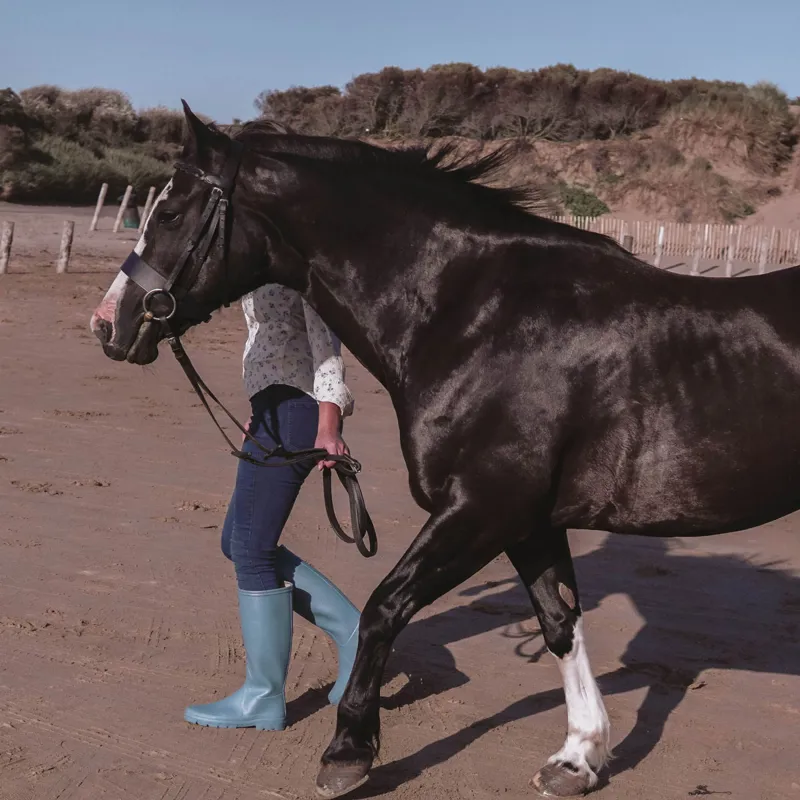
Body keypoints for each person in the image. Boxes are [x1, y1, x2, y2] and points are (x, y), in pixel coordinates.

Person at [184, 284, 361, 731]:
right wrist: (258, 408)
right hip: (272, 408)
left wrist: (328, 424)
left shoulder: (293, 261)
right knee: (238, 542)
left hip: (296, 410)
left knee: (250, 548)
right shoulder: (261, 258)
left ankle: (263, 696)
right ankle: (358, 634)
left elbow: (326, 344)